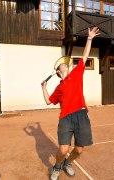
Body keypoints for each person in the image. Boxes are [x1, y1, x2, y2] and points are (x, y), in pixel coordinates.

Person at [41, 27, 100, 180]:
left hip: (81, 114)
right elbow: (48, 101)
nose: (65, 64)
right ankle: (57, 166)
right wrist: (44, 88)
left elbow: (85, 56)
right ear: (59, 71)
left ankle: (67, 163)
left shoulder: (76, 73)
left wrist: (89, 39)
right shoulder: (59, 87)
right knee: (62, 149)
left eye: (66, 64)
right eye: (62, 65)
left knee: (79, 150)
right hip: (66, 118)